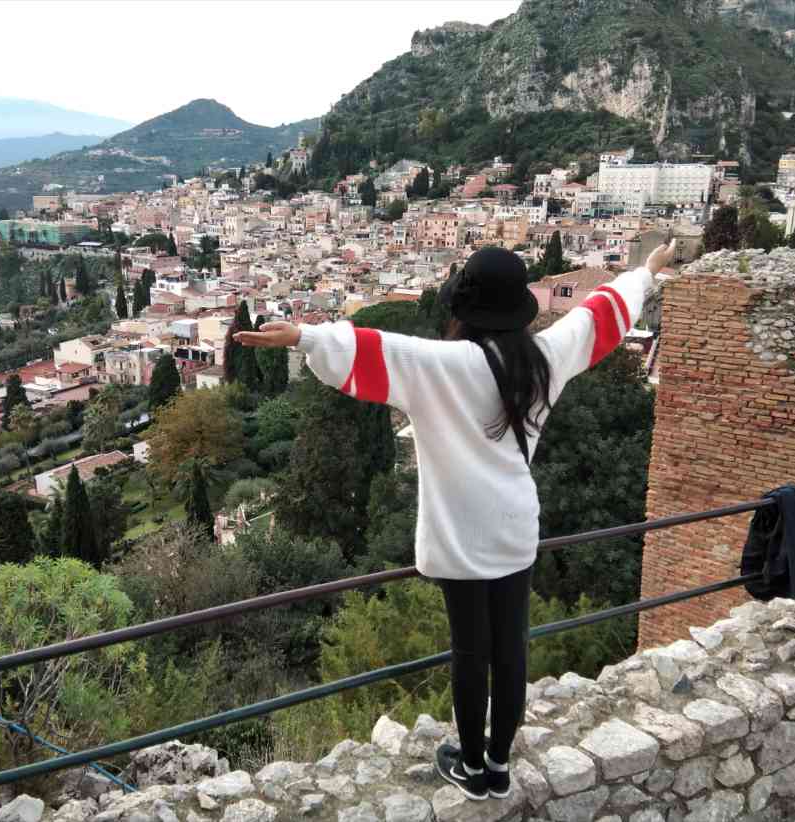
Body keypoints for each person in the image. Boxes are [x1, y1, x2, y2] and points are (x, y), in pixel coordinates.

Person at [235, 240, 676, 801]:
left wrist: (301, 337)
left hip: (460, 536)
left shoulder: (441, 366)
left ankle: (469, 768)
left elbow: (371, 349)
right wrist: (645, 273)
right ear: (518, 308)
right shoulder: (545, 357)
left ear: (465, 309)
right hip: (516, 527)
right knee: (511, 651)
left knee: (470, 654)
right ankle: (498, 765)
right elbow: (598, 315)